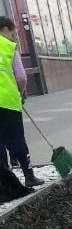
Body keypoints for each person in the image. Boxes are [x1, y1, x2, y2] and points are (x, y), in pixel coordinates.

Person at [0, 16, 44, 187]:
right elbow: (21, 77)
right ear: (4, 29)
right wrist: (21, 92)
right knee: (17, 139)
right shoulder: (10, 48)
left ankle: (5, 183)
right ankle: (28, 175)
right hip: (9, 102)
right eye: (12, 33)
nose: (13, 37)